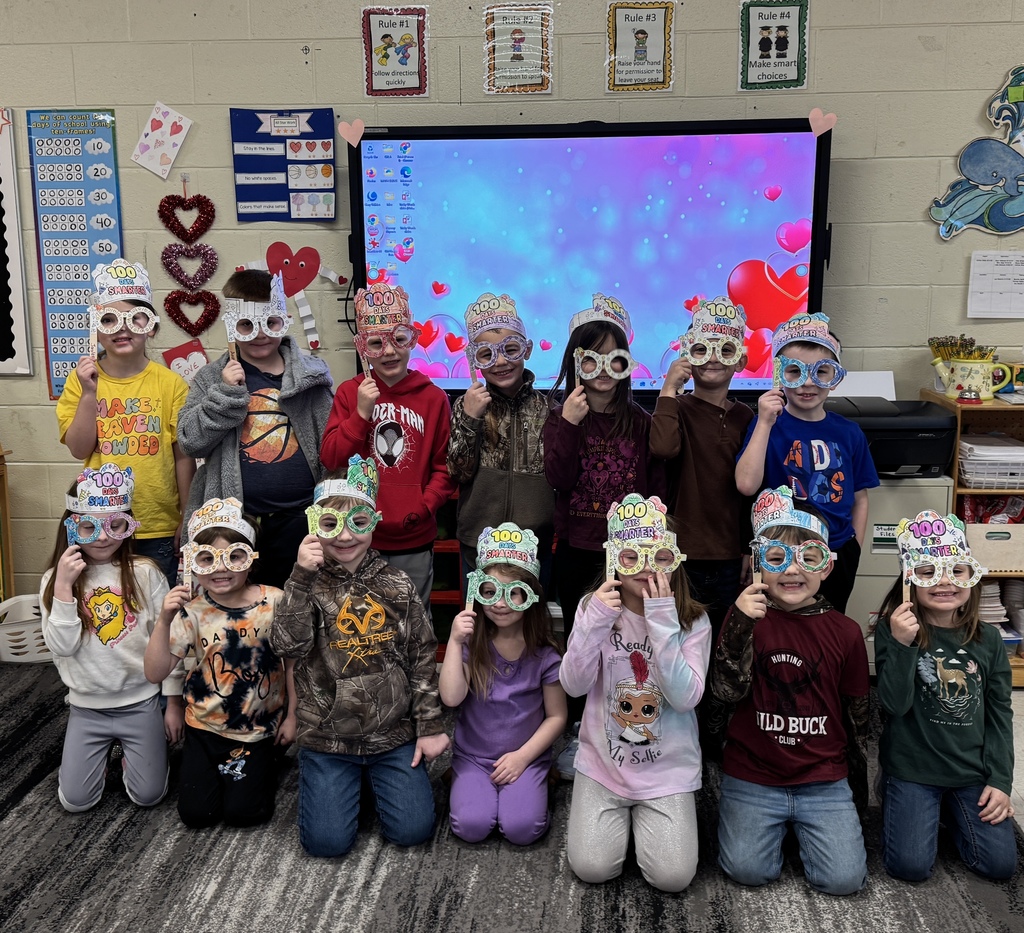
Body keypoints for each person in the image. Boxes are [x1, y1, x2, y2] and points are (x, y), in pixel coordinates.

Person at [269, 454, 450, 857]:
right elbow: (287, 646)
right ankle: (346, 787)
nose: (345, 536)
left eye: (359, 523)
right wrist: (299, 578)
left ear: (374, 521)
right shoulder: (305, 583)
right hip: (328, 739)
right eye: (331, 524)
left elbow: (422, 656)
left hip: (392, 736)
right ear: (314, 525)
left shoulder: (397, 583)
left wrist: (430, 725)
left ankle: (373, 785)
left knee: (413, 831)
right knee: (327, 844)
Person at [712, 486, 870, 896]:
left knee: (844, 880)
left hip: (822, 778)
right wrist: (739, 626)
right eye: (777, 559)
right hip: (754, 774)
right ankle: (778, 828)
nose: (792, 571)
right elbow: (726, 691)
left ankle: (803, 828)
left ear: (827, 568)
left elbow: (858, 712)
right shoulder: (745, 616)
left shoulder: (847, 632)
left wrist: (856, 781)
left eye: (809, 558)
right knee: (747, 870)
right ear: (759, 566)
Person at [559, 494, 710, 892]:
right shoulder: (593, 608)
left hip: (666, 771)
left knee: (674, 878)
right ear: (614, 559)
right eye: (631, 556)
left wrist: (662, 619)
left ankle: (641, 822)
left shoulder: (693, 620)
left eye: (658, 555)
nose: (645, 567)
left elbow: (685, 698)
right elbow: (572, 684)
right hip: (603, 766)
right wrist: (594, 621)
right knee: (590, 867)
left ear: (674, 559)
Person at [544, 294, 664, 738]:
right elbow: (558, 477)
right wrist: (571, 425)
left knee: (628, 640)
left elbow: (655, 490)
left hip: (630, 554)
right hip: (578, 548)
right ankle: (579, 728)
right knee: (583, 641)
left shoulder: (640, 421)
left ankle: (626, 716)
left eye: (613, 360)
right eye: (590, 360)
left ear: (626, 364)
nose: (601, 372)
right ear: (576, 363)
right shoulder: (561, 418)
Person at [873, 510, 1016, 881]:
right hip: (913, 769)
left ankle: (950, 809)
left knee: (999, 866)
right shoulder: (895, 632)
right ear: (910, 580)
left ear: (972, 576)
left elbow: (1000, 714)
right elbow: (892, 705)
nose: (944, 581)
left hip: (970, 771)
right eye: (927, 571)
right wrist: (904, 646)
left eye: (957, 570)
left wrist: (1000, 780)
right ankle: (900, 793)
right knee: (910, 867)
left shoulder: (990, 640)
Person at [144, 497, 296, 828]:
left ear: (251, 558)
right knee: (197, 815)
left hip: (257, 730)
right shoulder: (190, 612)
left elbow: (292, 664)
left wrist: (292, 717)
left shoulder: (276, 602)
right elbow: (155, 672)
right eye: (208, 558)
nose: (221, 568)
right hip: (204, 728)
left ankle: (265, 762)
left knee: (245, 814)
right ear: (193, 563)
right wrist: (163, 620)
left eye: (234, 556)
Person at [176, 270, 334, 589]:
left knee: (301, 603)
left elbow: (330, 447)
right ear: (232, 326)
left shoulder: (312, 376)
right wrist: (224, 395)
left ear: (284, 320)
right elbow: (190, 442)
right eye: (246, 325)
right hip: (236, 523)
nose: (260, 334)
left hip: (302, 520)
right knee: (242, 607)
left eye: (270, 323)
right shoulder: (211, 378)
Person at [39, 464, 182, 812]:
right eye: (89, 527)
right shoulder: (54, 579)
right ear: (71, 528)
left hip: (141, 703)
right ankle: (104, 753)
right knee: (75, 802)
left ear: (128, 524)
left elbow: (170, 639)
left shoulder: (145, 573)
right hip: (87, 708)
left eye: (115, 525)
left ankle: (125, 756)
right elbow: (61, 646)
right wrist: (62, 587)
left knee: (149, 796)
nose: (103, 537)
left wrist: (173, 702)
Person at [320, 283, 457, 612]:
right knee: (358, 623)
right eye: (377, 343)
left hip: (414, 537)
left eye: (399, 340)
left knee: (411, 622)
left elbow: (444, 466)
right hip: (356, 537)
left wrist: (424, 506)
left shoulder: (434, 398)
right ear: (362, 347)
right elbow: (331, 459)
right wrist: (361, 414)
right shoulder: (349, 393)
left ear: (413, 338)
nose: (389, 352)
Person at [56, 260, 193, 585]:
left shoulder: (171, 384)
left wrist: (186, 517)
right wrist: (90, 394)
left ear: (151, 327)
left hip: (157, 523)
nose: (122, 328)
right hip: (101, 526)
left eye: (135, 318)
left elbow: (183, 455)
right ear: (96, 330)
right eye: (109, 319)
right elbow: (78, 448)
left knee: (161, 611)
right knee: (105, 608)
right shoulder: (80, 381)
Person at [735, 312, 879, 613]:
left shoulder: (849, 433)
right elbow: (746, 486)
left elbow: (859, 499)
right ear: (779, 375)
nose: (807, 383)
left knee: (828, 630)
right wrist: (763, 422)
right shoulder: (766, 425)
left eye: (821, 372)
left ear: (835, 376)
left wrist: (854, 549)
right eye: (794, 372)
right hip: (778, 554)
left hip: (835, 551)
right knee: (775, 630)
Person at [439, 522, 566, 845]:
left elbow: (557, 717)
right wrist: (454, 643)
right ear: (477, 593)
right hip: (473, 757)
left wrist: (523, 758)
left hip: (527, 757)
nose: (500, 602)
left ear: (531, 597)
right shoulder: (471, 644)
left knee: (523, 830)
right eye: (489, 591)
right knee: (470, 827)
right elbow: (451, 699)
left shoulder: (545, 653)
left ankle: (536, 785)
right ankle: (471, 785)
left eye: (514, 593)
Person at [650, 297, 754, 641]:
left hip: (727, 554)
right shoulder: (675, 408)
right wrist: (668, 388)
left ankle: (716, 697)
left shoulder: (745, 417)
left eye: (723, 349)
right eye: (701, 349)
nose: (711, 358)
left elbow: (750, 489)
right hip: (681, 553)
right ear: (687, 355)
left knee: (722, 638)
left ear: (739, 360)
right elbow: (663, 447)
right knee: (680, 638)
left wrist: (746, 548)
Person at [447, 292, 554, 585]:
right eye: (487, 354)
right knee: (481, 622)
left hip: (534, 544)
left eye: (511, 349)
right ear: (475, 360)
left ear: (527, 350)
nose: (501, 362)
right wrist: (471, 418)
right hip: (479, 542)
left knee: (532, 625)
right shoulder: (464, 405)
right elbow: (458, 472)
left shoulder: (549, 409)